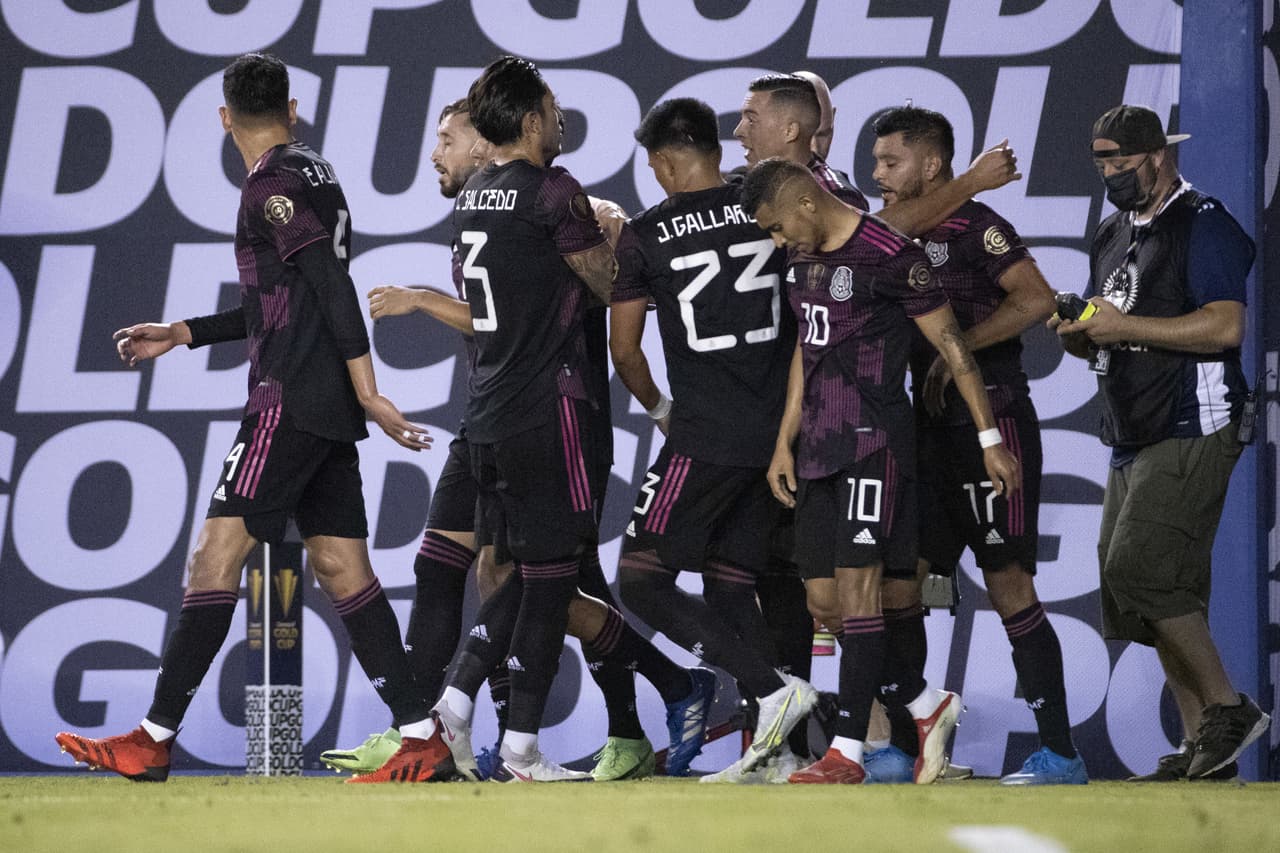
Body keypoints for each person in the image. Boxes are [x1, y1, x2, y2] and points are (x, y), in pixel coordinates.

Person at [54, 52, 450, 784]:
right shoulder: (317, 173)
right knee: (341, 564)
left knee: (214, 553)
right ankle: (422, 734)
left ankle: (153, 734)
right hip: (320, 401)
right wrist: (184, 333)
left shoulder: (267, 184)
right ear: (292, 109)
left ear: (223, 116)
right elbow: (285, 301)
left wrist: (371, 390)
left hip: (290, 400)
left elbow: (331, 284)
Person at [332, 101, 713, 783]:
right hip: (492, 419)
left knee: (542, 582)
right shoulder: (481, 211)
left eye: (446, 138)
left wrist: (420, 299)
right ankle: (442, 731)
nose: (436, 154)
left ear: (488, 142)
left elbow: (512, 313)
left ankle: (467, 726)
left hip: (557, 421)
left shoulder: (560, 209)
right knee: (476, 571)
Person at [743, 158, 1021, 785]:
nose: (777, 242)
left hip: (875, 445)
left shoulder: (890, 254)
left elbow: (953, 345)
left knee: (861, 591)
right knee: (824, 601)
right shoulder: (801, 260)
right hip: (816, 447)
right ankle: (927, 705)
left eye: (779, 228)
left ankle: (847, 752)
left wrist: (988, 438)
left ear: (808, 204)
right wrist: (785, 440)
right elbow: (806, 350)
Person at [869, 105, 1084, 785]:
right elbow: (880, 229)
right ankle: (914, 744)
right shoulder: (886, 239)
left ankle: (1060, 754)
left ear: (931, 164)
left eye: (890, 161)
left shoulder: (980, 229)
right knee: (900, 587)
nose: (878, 174)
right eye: (874, 161)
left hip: (994, 423)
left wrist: (954, 350)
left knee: (1009, 584)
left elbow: (1037, 300)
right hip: (923, 438)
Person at [1054, 104, 1268, 781]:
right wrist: (1082, 332)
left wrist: (1122, 328)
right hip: (1131, 427)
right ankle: (1207, 745)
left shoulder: (1201, 223)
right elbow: (1112, 318)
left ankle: (1229, 708)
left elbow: (1226, 326)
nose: (1109, 171)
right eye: (1100, 161)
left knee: (1139, 567)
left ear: (1157, 155)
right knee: (1147, 594)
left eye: (1119, 158)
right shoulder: (1113, 232)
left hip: (1193, 419)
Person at [610, 97, 816, 784]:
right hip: (777, 437)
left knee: (639, 575)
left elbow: (626, 350)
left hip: (702, 432)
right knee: (731, 583)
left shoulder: (644, 234)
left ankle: (769, 689)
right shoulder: (765, 205)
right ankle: (777, 751)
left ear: (664, 163)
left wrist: (659, 407)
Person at [734, 73, 867, 209]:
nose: (738, 131)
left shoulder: (836, 199)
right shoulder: (741, 185)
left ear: (790, 131)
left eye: (751, 120)